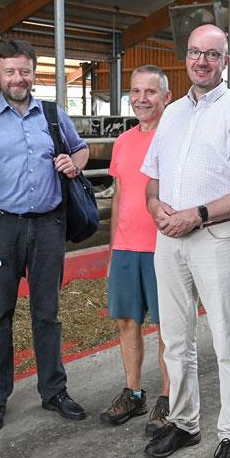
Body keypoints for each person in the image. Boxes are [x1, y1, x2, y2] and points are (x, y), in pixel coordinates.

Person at [141, 24, 230, 458]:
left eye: (212, 55)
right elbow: (152, 178)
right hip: (169, 239)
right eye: (195, 52)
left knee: (228, 342)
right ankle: (184, 422)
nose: (202, 61)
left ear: (225, 62)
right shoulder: (172, 113)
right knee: (174, 338)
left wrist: (197, 213)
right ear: (186, 57)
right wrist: (156, 207)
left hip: (217, 238)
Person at [0, 40, 90, 433]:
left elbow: (82, 149)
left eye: (26, 71)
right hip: (0, 226)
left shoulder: (51, 114)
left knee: (46, 312)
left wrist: (73, 162)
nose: (19, 79)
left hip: (49, 225)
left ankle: (53, 390)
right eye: (11, 71)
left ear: (36, 73)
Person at [99, 65, 172, 434]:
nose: (142, 99)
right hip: (127, 247)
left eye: (151, 92)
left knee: (167, 328)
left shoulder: (175, 139)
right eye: (136, 92)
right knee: (127, 321)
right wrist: (113, 249)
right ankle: (134, 391)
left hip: (166, 247)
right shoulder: (123, 142)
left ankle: (169, 397)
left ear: (166, 97)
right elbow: (121, 198)